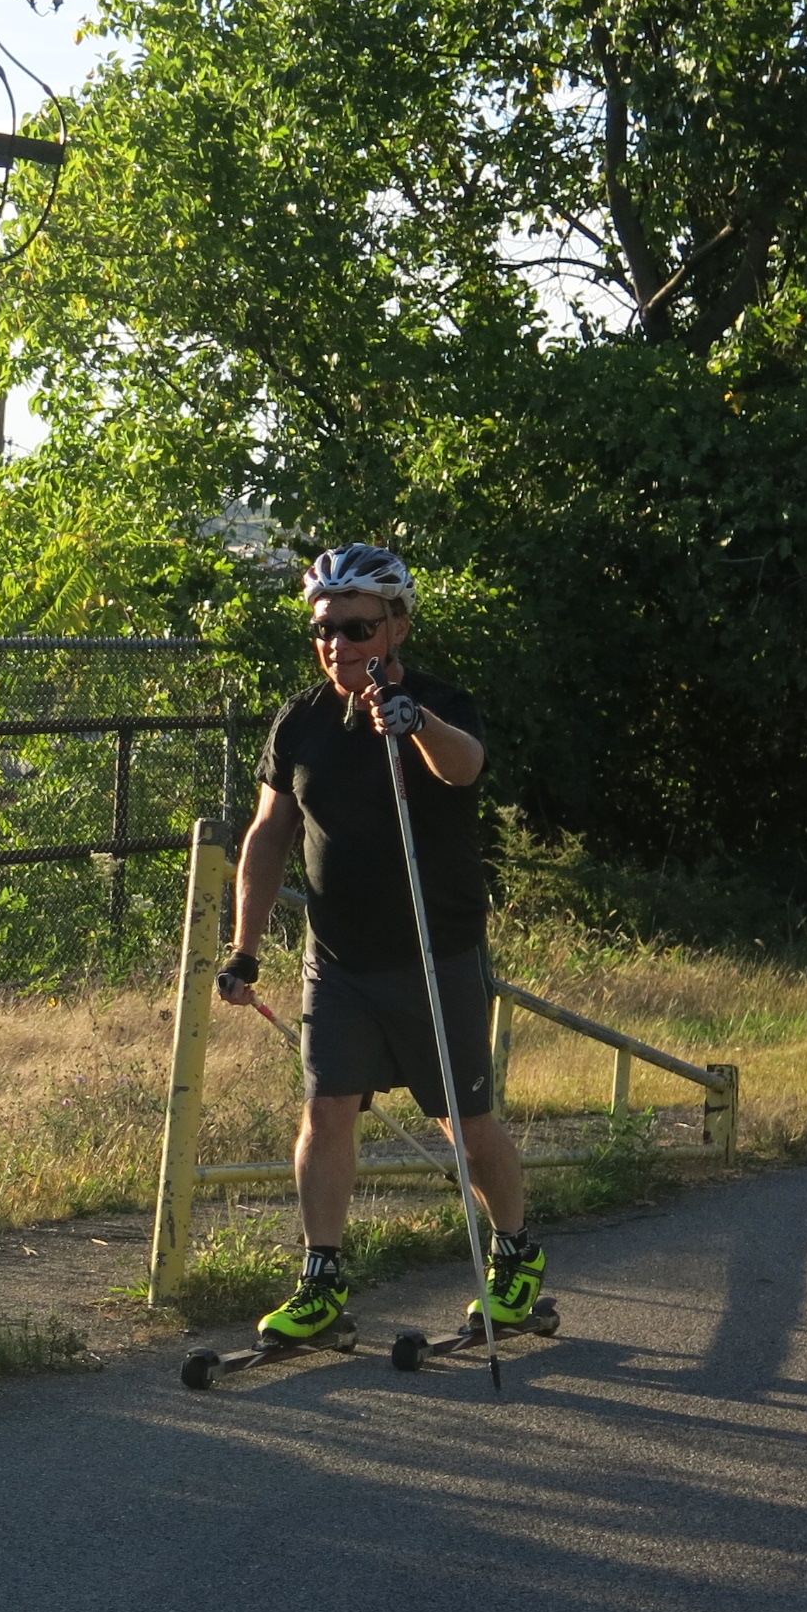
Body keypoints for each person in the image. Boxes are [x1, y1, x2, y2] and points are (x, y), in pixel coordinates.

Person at [216, 544, 545, 1344]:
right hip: (338, 960)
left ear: (396, 627)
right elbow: (267, 835)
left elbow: (465, 769)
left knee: (464, 1125)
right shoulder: (301, 720)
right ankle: (320, 1279)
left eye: (357, 629)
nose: (338, 646)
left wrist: (414, 722)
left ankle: (514, 1258)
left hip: (436, 954)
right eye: (324, 630)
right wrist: (244, 949)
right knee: (325, 1114)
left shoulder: (439, 702)